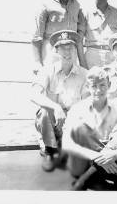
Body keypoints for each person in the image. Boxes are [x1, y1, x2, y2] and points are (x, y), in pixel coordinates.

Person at [62, 67, 117, 190]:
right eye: (94, 86)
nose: (98, 90)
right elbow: (66, 144)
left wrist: (115, 154)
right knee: (81, 127)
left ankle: (88, 179)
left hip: (112, 159)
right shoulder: (77, 109)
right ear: (87, 86)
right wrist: (99, 158)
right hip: (83, 160)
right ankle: (101, 177)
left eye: (102, 85)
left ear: (109, 85)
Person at [31, 30, 88, 172]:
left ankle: (67, 147)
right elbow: (33, 94)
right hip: (53, 120)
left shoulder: (84, 74)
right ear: (56, 50)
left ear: (76, 50)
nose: (67, 52)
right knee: (44, 111)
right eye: (63, 48)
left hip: (73, 120)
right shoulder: (47, 71)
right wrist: (56, 107)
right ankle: (49, 151)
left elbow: (87, 103)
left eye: (70, 47)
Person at [32, 0, 86, 73]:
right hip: (52, 54)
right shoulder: (45, 4)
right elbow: (36, 37)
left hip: (71, 54)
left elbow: (79, 38)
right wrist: (37, 63)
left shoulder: (76, 5)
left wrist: (83, 65)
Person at [83, 0, 117, 69]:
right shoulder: (86, 13)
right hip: (92, 57)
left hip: (111, 57)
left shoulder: (115, 12)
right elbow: (79, 39)